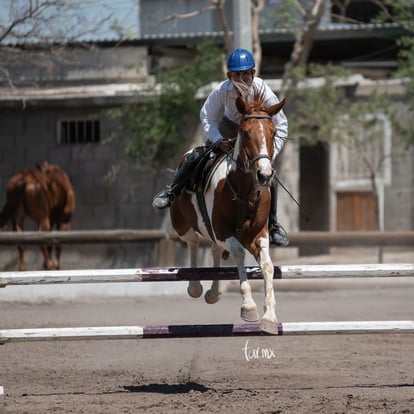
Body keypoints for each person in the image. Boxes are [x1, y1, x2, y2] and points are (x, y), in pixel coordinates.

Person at [152, 48, 289, 246]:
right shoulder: (222, 90)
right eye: (237, 74)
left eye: (246, 74)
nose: (242, 78)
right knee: (197, 156)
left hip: (254, 136)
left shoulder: (264, 91)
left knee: (270, 177)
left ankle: (273, 225)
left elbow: (281, 125)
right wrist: (217, 139)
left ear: (253, 72)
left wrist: (268, 155)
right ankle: (172, 192)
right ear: (229, 75)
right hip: (228, 128)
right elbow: (206, 115)